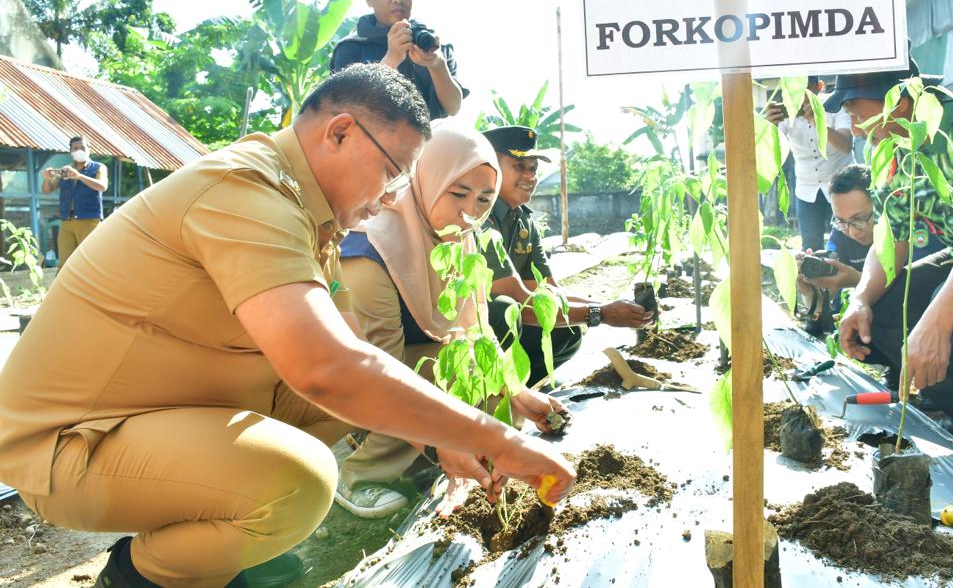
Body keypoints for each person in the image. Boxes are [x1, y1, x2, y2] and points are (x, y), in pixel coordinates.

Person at [0, 64, 575, 588]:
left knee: (344, 405)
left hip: (156, 412)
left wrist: (442, 435)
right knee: (296, 483)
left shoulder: (307, 212)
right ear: (341, 132)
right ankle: (138, 577)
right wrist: (497, 440)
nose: (391, 199)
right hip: (69, 444)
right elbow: (328, 370)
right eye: (393, 173)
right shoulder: (246, 191)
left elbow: (354, 356)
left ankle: (226, 554)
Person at [334, 124, 569, 518]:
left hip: (407, 355)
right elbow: (376, 369)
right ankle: (360, 474)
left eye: (483, 200)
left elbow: (476, 328)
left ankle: (443, 459)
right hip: (352, 371)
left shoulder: (459, 241)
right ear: (425, 178)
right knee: (434, 386)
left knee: (478, 368)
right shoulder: (371, 247)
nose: (470, 212)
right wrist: (442, 435)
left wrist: (518, 391)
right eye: (458, 193)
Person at [831, 58, 953, 480]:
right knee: (886, 312)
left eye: (857, 114)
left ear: (897, 102)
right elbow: (892, 238)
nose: (857, 129)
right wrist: (861, 298)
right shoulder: (896, 152)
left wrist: (937, 322)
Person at [481, 126, 652, 386]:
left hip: (506, 323)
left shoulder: (524, 221)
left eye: (533, 169)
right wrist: (601, 313)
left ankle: (522, 392)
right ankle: (495, 396)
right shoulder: (480, 219)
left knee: (567, 331)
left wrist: (613, 304)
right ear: (490, 168)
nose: (530, 176)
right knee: (504, 311)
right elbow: (519, 302)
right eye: (519, 166)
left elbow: (548, 294)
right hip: (476, 327)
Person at [796, 164, 944, 335]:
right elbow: (829, 322)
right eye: (841, 221)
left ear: (882, 204)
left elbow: (918, 296)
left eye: (859, 219)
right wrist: (813, 296)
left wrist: (859, 282)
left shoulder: (914, 229)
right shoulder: (839, 235)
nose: (851, 231)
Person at [330, 0, 466, 120]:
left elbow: (453, 108)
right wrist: (391, 59)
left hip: (433, 142)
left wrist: (438, 65)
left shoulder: (433, 46)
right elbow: (347, 110)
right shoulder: (350, 48)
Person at [766, 77, 855, 251]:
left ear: (819, 87)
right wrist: (769, 128)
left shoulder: (836, 106)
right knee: (810, 247)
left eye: (804, 90)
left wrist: (818, 121)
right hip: (807, 189)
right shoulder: (786, 113)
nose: (799, 96)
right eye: (792, 90)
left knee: (848, 243)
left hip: (843, 187)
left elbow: (845, 145)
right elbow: (773, 154)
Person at [41, 135, 108, 268]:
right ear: (71, 152)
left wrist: (79, 176)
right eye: (75, 148)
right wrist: (47, 178)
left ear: (89, 149)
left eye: (82, 147)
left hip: (89, 221)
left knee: (90, 261)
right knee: (65, 264)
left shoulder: (98, 167)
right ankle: (63, 289)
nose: (79, 151)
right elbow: (47, 190)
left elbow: (102, 186)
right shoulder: (65, 170)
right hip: (67, 221)